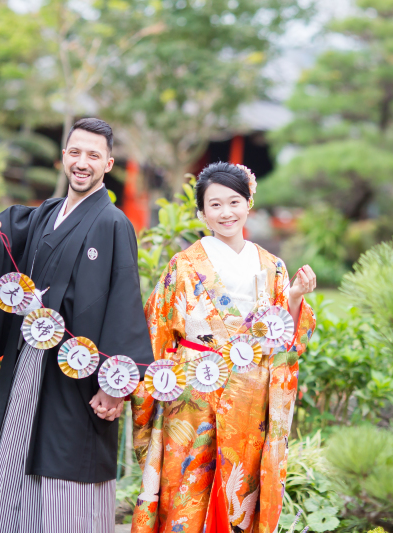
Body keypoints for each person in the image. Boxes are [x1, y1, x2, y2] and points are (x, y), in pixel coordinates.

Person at [0, 118, 154, 533]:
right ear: (63, 157)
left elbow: (124, 303)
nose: (82, 163)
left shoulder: (113, 223)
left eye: (93, 156)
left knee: (70, 468)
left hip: (80, 375)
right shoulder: (46, 213)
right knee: (18, 459)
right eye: (75, 153)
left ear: (108, 163)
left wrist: (114, 385)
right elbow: (1, 248)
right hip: (30, 362)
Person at [130, 162, 317, 533]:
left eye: (234, 202)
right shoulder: (182, 266)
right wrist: (151, 384)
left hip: (249, 394)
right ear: (201, 212)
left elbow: (285, 340)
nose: (226, 212)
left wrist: (294, 297)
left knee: (240, 488)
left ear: (249, 204)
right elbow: (156, 330)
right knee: (185, 484)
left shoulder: (272, 265)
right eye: (214, 205)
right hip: (191, 391)